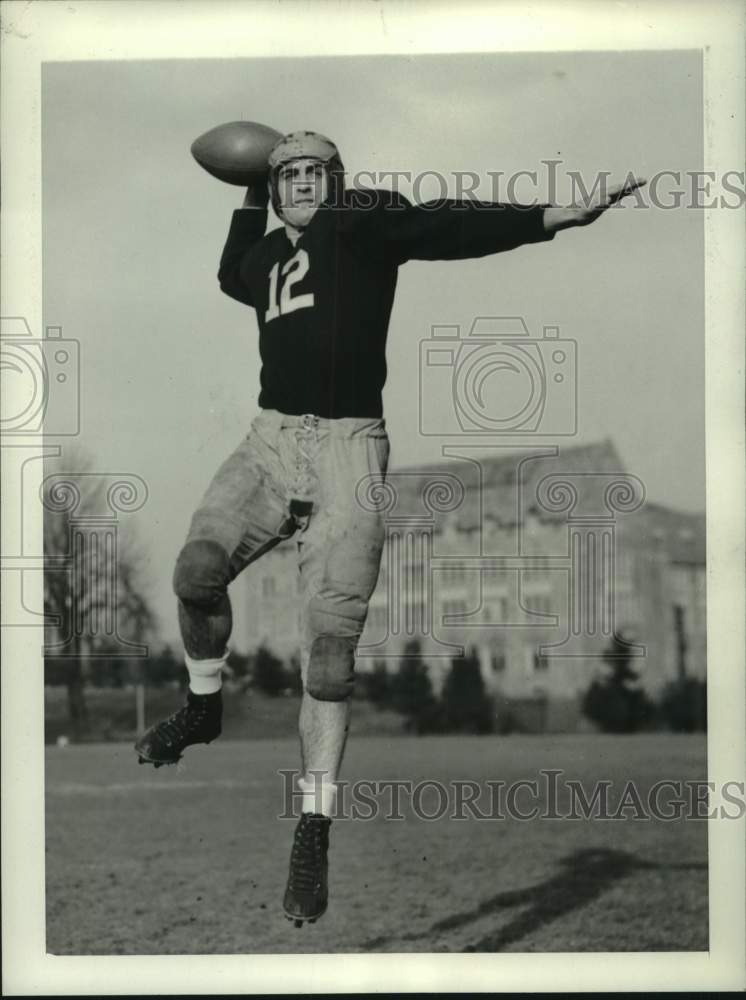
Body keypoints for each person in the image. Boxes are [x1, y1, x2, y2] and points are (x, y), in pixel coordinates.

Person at [135, 130, 645, 926]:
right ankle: (205, 705)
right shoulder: (269, 255)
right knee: (195, 573)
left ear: (336, 182)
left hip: (348, 450)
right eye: (289, 176)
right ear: (275, 191)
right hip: (271, 440)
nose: (303, 185)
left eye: (314, 174)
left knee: (330, 655)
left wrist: (551, 216)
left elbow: (447, 225)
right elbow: (231, 275)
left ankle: (313, 826)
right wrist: (245, 183)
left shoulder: (361, 221)